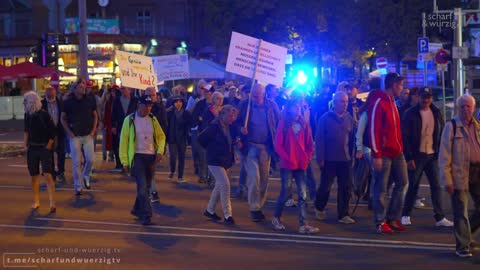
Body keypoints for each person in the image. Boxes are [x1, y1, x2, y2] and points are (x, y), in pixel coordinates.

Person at [400, 87, 453, 227]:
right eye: (423, 97)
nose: (426, 100)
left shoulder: (436, 112)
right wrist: (409, 157)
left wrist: (439, 152)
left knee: (436, 186)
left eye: (428, 97)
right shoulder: (410, 113)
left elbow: (441, 132)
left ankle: (440, 217)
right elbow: (405, 137)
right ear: (418, 97)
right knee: (413, 186)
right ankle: (405, 214)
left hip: (432, 155)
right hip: (417, 155)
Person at [439, 94, 480, 258]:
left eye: (468, 106)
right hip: (460, 173)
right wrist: (447, 179)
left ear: (474, 108)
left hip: (477, 171)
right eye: (462, 106)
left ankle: (467, 234)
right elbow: (444, 155)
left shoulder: (477, 126)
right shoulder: (451, 126)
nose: (465, 109)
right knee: (460, 211)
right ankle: (462, 245)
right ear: (458, 108)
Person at [369, 73, 408, 234]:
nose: (402, 88)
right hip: (384, 153)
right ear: (393, 85)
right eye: (400, 85)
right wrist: (376, 154)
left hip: (397, 151)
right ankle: (380, 221)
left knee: (403, 183)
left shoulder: (393, 102)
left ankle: (393, 217)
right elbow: (373, 129)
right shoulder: (380, 102)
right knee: (381, 188)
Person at [271, 100, 318, 234]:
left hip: (301, 164)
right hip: (287, 164)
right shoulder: (283, 124)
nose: (298, 111)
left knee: (302, 194)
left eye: (299, 108)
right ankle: (276, 217)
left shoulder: (304, 124)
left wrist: (306, 157)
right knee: (285, 192)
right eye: (295, 108)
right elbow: (278, 145)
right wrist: (288, 158)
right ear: (289, 110)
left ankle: (303, 224)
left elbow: (309, 144)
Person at [120, 95, 166, 226]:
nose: (148, 108)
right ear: (139, 105)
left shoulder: (153, 119)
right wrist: (124, 161)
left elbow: (161, 136)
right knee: (142, 187)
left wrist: (160, 151)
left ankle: (136, 209)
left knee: (145, 187)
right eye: (146, 105)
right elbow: (123, 142)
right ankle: (147, 214)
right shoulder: (129, 120)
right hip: (137, 157)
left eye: (150, 105)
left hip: (150, 157)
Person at [236, 83, 280, 222]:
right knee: (254, 178)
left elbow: (278, 124)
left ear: (263, 94)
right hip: (250, 147)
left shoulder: (272, 106)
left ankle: (259, 205)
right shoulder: (244, 105)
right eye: (253, 95)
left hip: (266, 147)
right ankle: (254, 207)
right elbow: (236, 122)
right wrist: (240, 130)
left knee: (264, 178)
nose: (255, 98)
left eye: (257, 95)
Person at [314, 91, 356, 224]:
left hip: (345, 159)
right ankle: (319, 208)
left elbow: (353, 139)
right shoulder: (325, 118)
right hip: (329, 159)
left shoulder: (350, 119)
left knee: (345, 188)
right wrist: (320, 158)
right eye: (342, 102)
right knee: (325, 186)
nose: (345, 104)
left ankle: (343, 214)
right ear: (335, 102)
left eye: (346, 102)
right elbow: (319, 139)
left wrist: (353, 155)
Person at [199, 105, 239, 225]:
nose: (232, 118)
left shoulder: (229, 127)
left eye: (233, 116)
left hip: (224, 161)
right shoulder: (214, 127)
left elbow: (230, 142)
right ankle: (228, 215)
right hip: (215, 161)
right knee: (225, 186)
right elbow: (201, 139)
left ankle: (210, 210)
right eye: (230, 116)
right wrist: (212, 150)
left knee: (219, 186)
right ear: (223, 115)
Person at [61, 80, 98, 195]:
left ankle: (86, 175)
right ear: (75, 88)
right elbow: (63, 118)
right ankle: (78, 186)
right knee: (77, 162)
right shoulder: (68, 102)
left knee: (90, 159)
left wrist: (93, 130)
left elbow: (95, 115)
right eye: (81, 87)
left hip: (88, 135)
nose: (83, 88)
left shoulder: (89, 100)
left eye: (84, 87)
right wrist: (69, 133)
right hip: (75, 136)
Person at [23, 91, 56, 213]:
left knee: (47, 174)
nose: (24, 104)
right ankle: (36, 201)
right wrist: (25, 145)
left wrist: (49, 145)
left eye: (25, 101)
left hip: (43, 147)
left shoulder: (44, 114)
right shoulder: (28, 115)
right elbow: (26, 130)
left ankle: (52, 203)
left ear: (31, 102)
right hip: (32, 148)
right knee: (34, 175)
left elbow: (53, 131)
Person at [41, 87, 66, 183]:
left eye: (52, 95)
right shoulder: (42, 104)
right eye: (49, 95)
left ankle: (61, 172)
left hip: (59, 131)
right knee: (49, 153)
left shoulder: (61, 103)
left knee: (61, 153)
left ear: (55, 94)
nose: (51, 96)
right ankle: (52, 173)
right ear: (46, 94)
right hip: (47, 133)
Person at [166, 96, 192, 183]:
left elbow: (190, 124)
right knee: (173, 157)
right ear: (173, 103)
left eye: (180, 102)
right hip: (172, 137)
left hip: (182, 138)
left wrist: (188, 133)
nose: (178, 103)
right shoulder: (170, 113)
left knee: (181, 157)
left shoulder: (186, 113)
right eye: (176, 102)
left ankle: (180, 176)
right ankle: (172, 171)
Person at [111, 87, 138, 172]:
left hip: (132, 125)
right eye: (121, 89)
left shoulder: (135, 100)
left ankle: (131, 163)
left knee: (132, 145)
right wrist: (113, 126)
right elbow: (113, 113)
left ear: (129, 90)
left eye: (124, 89)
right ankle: (121, 164)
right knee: (121, 144)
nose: (123, 91)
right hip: (120, 125)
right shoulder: (117, 100)